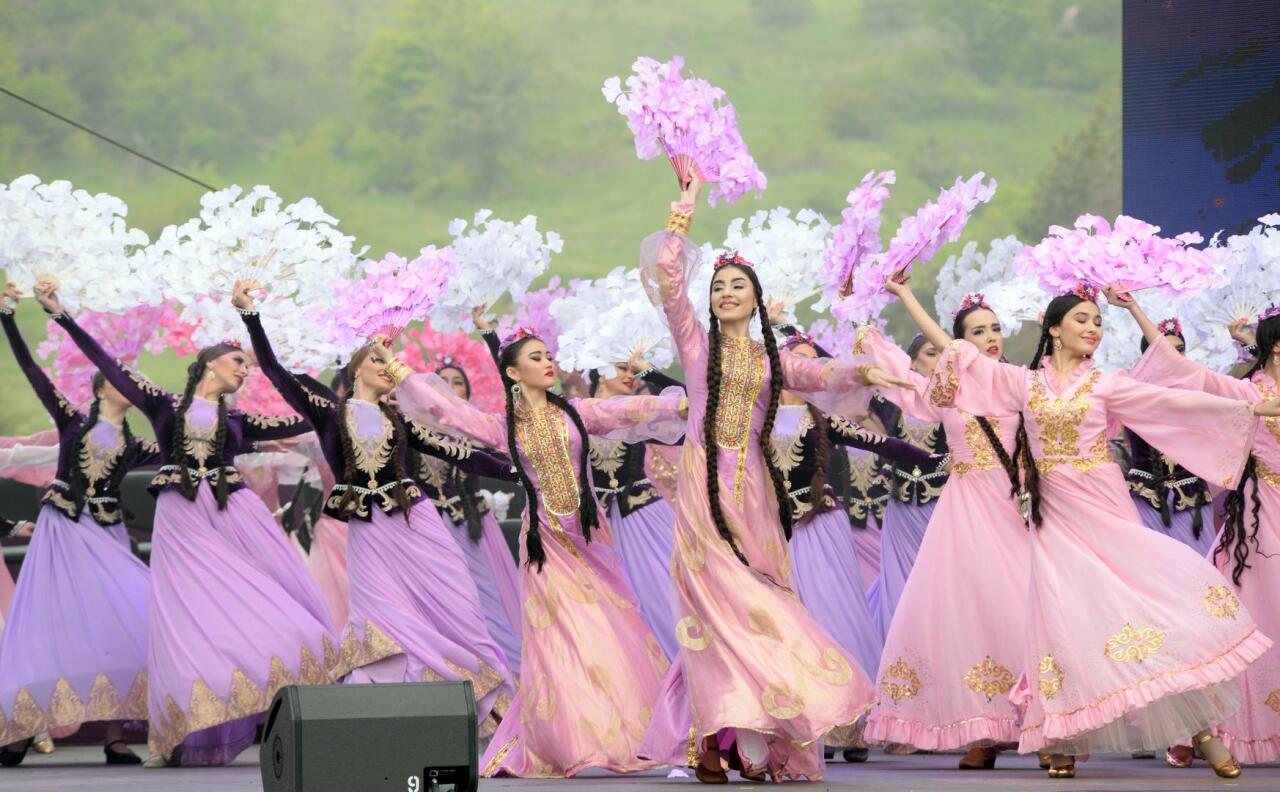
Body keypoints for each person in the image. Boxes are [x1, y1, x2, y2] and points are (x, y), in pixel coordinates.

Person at [890, 274, 1278, 779]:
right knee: (1062, 620)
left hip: (1104, 508)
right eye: (1082, 319)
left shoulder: (1107, 384)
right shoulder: (1023, 384)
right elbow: (957, 352)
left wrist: (1251, 407)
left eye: (1098, 321)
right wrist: (906, 295)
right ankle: (1063, 737)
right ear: (1054, 329)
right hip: (1053, 516)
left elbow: (1174, 404)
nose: (1093, 328)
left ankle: (1202, 731)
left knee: (1139, 609)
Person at [635, 178, 909, 782]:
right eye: (719, 286)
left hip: (754, 493)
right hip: (703, 491)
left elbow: (826, 376)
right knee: (714, 606)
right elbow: (670, 283)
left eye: (738, 285)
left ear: (756, 300)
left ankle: (744, 730)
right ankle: (728, 733)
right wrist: (683, 211)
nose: (726, 292)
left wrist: (873, 371)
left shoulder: (771, 362)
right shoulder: (696, 347)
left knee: (761, 601)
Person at [44, 281, 337, 767]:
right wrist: (62, 316)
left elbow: (309, 416)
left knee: (265, 598)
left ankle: (275, 674)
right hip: (181, 518)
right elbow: (110, 366)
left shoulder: (240, 421)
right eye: (237, 361)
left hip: (232, 515)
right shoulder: (163, 406)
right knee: (180, 618)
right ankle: (173, 732)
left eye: (247, 364)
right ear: (208, 364)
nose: (244, 369)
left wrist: (323, 382)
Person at [393, 328, 687, 778]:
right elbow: (449, 412)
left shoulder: (578, 412)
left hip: (591, 540)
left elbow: (637, 409)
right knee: (557, 639)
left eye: (548, 355)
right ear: (513, 373)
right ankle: (567, 741)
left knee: (615, 629)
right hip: (544, 541)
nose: (548, 362)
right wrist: (398, 370)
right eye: (535, 357)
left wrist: (672, 399)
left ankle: (635, 732)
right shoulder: (503, 426)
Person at [235, 286, 516, 735]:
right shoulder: (329, 413)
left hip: (416, 523)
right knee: (381, 615)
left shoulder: (400, 420)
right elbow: (275, 371)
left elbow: (462, 453)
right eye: (378, 359)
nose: (388, 367)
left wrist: (518, 473)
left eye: (391, 360)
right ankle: (393, 713)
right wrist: (251, 315)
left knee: (456, 605)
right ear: (357, 369)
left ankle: (481, 697)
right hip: (369, 531)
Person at [1119, 291, 1280, 767]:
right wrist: (1134, 310)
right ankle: (1210, 726)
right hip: (1261, 517)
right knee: (1244, 617)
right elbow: (1183, 370)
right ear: (1276, 348)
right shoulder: (1249, 393)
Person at [0, 284, 155, 766]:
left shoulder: (136, 446)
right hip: (63, 532)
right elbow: (33, 372)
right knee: (49, 624)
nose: (130, 384)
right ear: (102, 387)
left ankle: (115, 735)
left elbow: (190, 452)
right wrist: (8, 318)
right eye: (122, 378)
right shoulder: (72, 422)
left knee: (122, 621)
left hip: (108, 535)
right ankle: (21, 730)